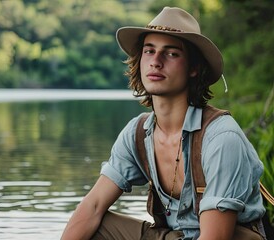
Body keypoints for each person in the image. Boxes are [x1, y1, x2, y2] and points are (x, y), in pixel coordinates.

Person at [61, 6, 267, 240]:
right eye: (149, 51)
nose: (156, 62)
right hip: (176, 235)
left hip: (228, 237)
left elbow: (215, 237)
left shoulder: (221, 138)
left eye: (171, 53)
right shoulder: (137, 134)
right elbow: (94, 205)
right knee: (95, 224)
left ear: (194, 68)